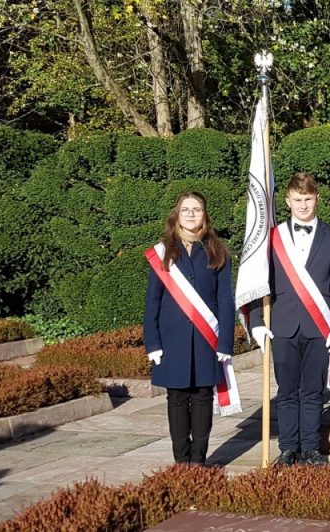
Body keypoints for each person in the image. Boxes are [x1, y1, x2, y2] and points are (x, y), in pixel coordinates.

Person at [248, 172, 330, 466]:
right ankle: (288, 447)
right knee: (287, 391)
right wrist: (256, 320)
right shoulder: (272, 237)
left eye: (308, 199)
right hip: (282, 325)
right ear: (288, 201)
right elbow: (259, 281)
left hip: (320, 327)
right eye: (297, 200)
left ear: (316, 198)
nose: (303, 205)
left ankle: (311, 448)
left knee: (313, 390)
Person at [143, 191, 235, 465]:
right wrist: (153, 343)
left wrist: (225, 342)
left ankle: (199, 461)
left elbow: (225, 301)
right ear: (177, 215)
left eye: (197, 209)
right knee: (178, 398)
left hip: (207, 340)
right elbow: (152, 303)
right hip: (172, 341)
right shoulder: (163, 252)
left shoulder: (218, 251)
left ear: (205, 215)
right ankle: (181, 462)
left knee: (204, 396)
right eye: (186, 209)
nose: (191, 214)